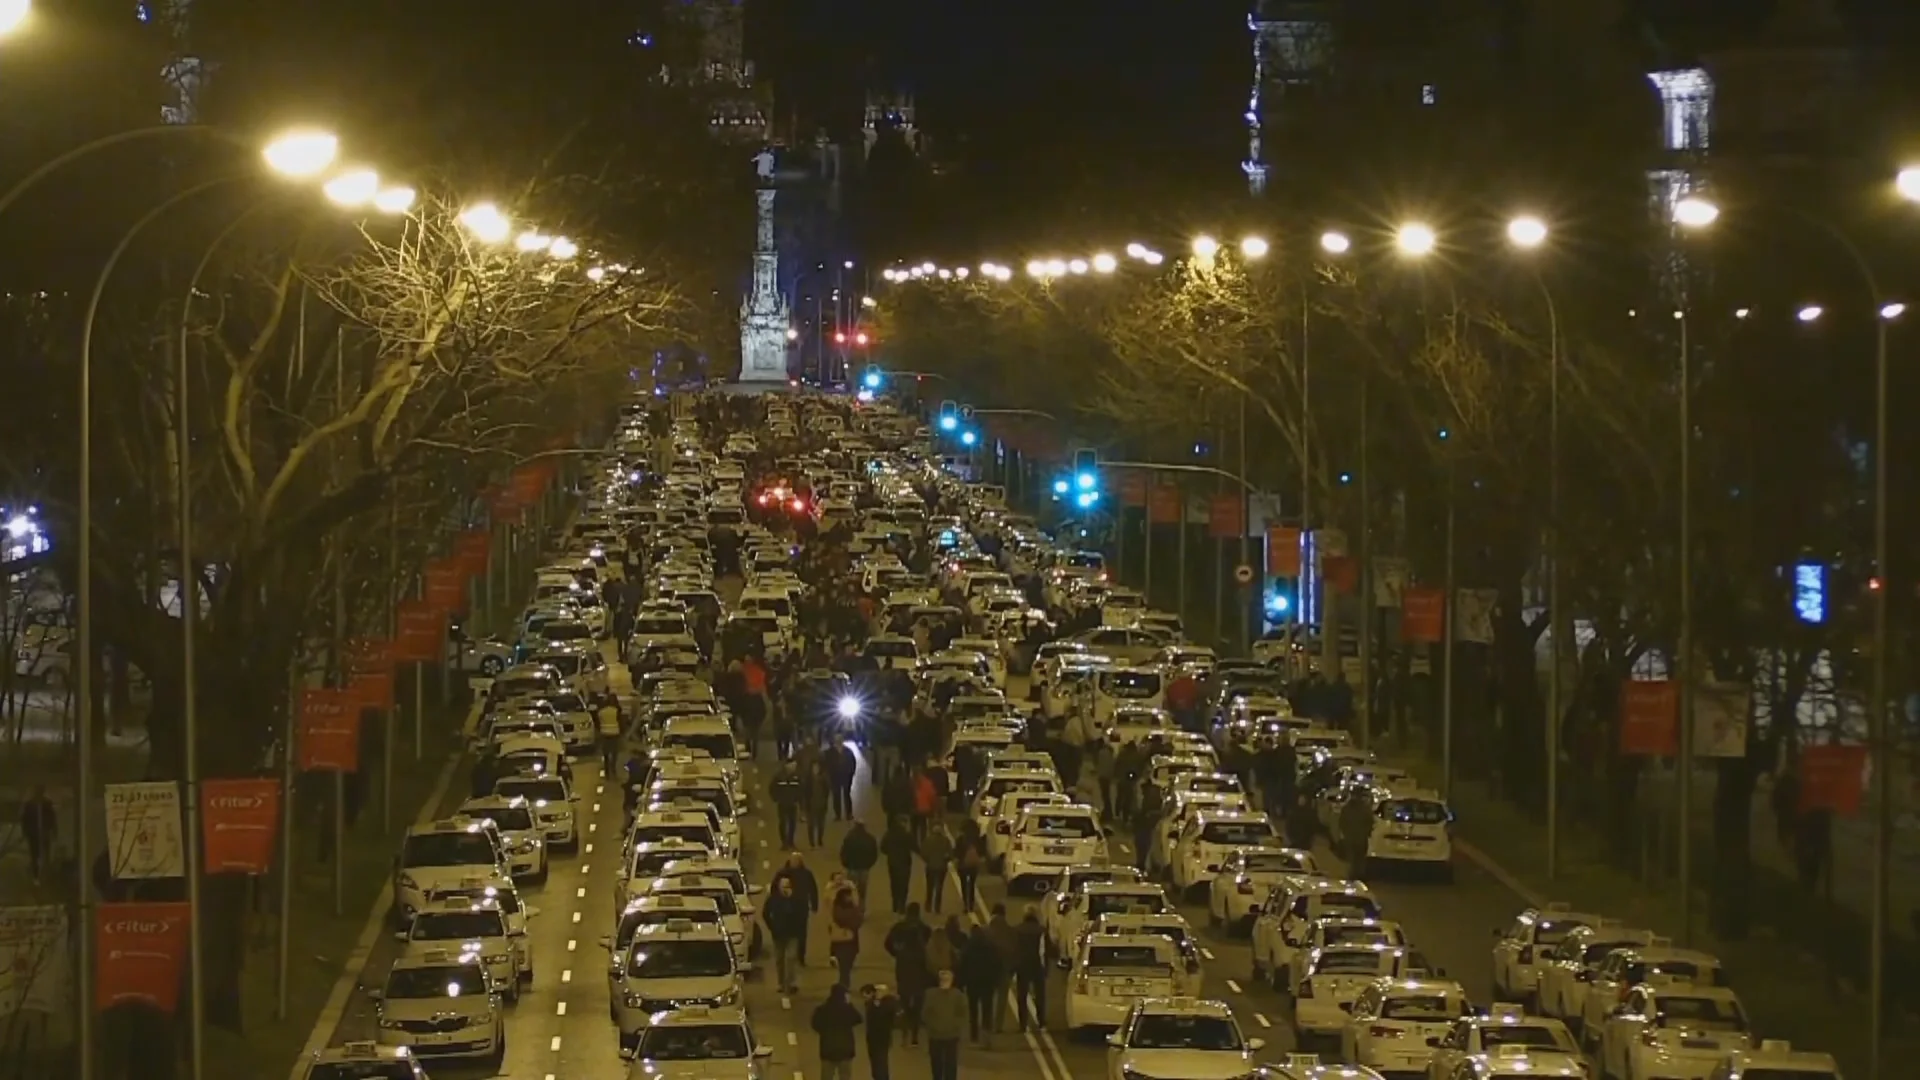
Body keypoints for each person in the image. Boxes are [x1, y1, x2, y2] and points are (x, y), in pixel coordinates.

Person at [883, 903, 932, 1045]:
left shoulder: (899, 927)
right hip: (919, 973)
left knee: (903, 1001)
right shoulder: (924, 929)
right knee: (918, 1004)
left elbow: (887, 943)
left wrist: (896, 953)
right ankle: (915, 1035)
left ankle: (905, 1033)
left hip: (903, 970)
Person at [957, 916, 1002, 1046]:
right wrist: (996, 980)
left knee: (973, 1010)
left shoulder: (967, 948)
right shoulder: (990, 947)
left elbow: (962, 966)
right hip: (987, 983)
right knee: (987, 1009)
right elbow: (997, 964)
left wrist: (962, 982)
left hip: (972, 983)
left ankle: (974, 1034)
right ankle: (986, 1035)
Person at [762, 873, 810, 993]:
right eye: (782, 885)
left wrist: (800, 928)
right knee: (779, 959)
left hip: (793, 933)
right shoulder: (773, 899)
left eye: (787, 885)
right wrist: (772, 927)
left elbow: (803, 914)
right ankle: (780, 982)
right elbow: (765, 913)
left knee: (791, 958)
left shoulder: (797, 899)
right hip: (778, 934)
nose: (785, 888)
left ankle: (790, 982)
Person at [771, 853, 821, 964]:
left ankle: (801, 956)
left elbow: (813, 889)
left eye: (798, 860)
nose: (795, 862)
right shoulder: (783, 874)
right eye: (794, 860)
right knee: (789, 933)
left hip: (801, 907)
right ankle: (787, 955)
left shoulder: (806, 874)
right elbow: (774, 889)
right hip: (786, 907)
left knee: (802, 933)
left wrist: (814, 904)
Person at [810, 984, 863, 1080]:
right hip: (845, 1050)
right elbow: (858, 1019)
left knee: (826, 1076)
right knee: (845, 1076)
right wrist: (849, 1004)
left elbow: (815, 1024)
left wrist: (824, 1032)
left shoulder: (822, 1009)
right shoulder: (847, 1009)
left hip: (827, 1049)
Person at [921, 969, 965, 1080]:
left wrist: (954, 1026)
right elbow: (925, 1013)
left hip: (950, 1035)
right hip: (936, 1035)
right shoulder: (930, 994)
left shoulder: (958, 995)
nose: (945, 981)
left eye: (947, 979)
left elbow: (963, 1014)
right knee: (937, 1063)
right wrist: (933, 1026)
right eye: (943, 979)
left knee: (950, 1063)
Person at [982, 903, 1020, 1036]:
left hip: (987, 969)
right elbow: (1015, 950)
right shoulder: (1010, 931)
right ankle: (998, 1025)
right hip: (1005, 968)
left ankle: (986, 1024)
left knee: (987, 997)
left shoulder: (985, 930)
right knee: (1002, 999)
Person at [1013, 904, 1047, 1031]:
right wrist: (1045, 968)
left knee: (1022, 995)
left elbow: (1014, 949)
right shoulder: (1041, 930)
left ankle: (1023, 1023)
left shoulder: (1017, 930)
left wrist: (1014, 967)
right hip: (1037, 965)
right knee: (1040, 995)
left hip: (1022, 965)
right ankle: (1041, 1021)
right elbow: (1043, 950)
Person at [828, 872, 865, 989]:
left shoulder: (852, 905)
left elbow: (859, 916)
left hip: (851, 938)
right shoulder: (836, 904)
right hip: (841, 939)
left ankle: (844, 982)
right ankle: (844, 984)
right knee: (845, 966)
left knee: (847, 963)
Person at [860, 983, 900, 1080]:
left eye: (879, 992)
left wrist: (876, 1004)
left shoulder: (889, 1003)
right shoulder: (872, 1003)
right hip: (872, 1038)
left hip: (882, 1038)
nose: (877, 994)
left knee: (880, 1062)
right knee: (875, 1062)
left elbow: (886, 1016)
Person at [19, 786, 54, 884]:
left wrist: (53, 831)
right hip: (33, 834)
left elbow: (52, 818)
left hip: (44, 833)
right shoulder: (29, 805)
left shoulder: (47, 804)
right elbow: (24, 820)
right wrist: (25, 832)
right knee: (35, 855)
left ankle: (44, 875)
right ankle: (36, 876)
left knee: (45, 855)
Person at [840, 820, 880, 901]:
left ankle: (852, 907)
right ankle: (862, 908)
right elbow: (874, 854)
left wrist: (846, 864)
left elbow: (843, 852)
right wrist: (869, 864)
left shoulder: (849, 838)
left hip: (852, 867)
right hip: (864, 868)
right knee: (862, 891)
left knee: (851, 890)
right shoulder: (870, 838)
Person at [919, 821, 954, 914]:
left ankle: (928, 905)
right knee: (939, 888)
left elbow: (922, 853)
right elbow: (951, 854)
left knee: (929, 887)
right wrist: (945, 860)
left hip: (930, 867)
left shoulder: (928, 840)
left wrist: (928, 860)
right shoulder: (946, 841)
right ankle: (937, 907)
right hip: (942, 868)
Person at [770, 759, 803, 849]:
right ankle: (784, 842)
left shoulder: (796, 777)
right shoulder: (779, 776)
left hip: (792, 803)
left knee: (792, 823)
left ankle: (790, 841)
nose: (794, 767)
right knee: (783, 823)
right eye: (793, 765)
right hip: (783, 803)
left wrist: (798, 799)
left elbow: (800, 789)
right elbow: (772, 788)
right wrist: (776, 799)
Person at [803, 756, 833, 847]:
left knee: (821, 824)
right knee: (811, 824)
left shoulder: (823, 778)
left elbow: (827, 789)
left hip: (821, 804)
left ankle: (820, 840)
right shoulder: (808, 779)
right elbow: (804, 792)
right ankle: (812, 841)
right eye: (814, 767)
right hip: (811, 805)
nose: (815, 769)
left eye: (817, 767)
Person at [954, 825, 984, 913]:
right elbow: (982, 851)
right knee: (971, 885)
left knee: (963, 885)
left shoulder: (960, 840)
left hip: (962, 865)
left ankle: (965, 905)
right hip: (973, 866)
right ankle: (971, 905)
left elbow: (957, 852)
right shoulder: (977, 840)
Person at [828, 741, 859, 820]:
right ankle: (838, 815)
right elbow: (827, 764)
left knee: (847, 795)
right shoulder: (830, 752)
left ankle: (848, 814)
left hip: (846, 777)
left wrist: (851, 773)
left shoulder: (848, 751)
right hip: (835, 777)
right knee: (836, 796)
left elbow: (853, 763)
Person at [596, 695, 624, 776]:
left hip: (604, 734)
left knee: (606, 753)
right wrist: (622, 732)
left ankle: (607, 770)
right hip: (615, 734)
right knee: (614, 752)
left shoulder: (600, 712)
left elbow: (598, 724)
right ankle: (613, 768)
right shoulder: (616, 711)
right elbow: (620, 721)